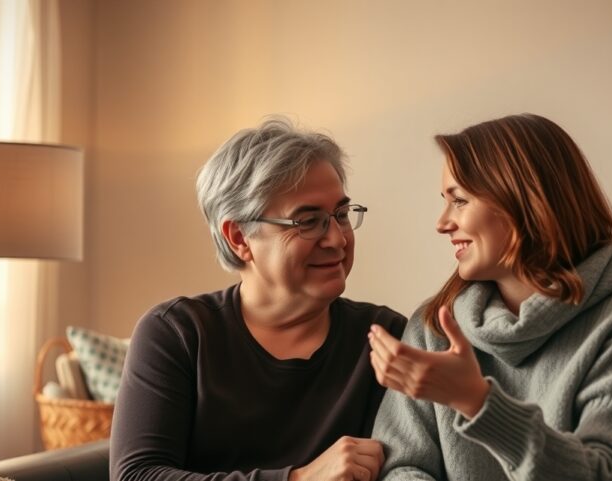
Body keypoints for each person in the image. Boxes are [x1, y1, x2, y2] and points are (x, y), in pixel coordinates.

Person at [369, 113, 612, 481]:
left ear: (522, 200)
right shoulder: (434, 325)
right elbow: (402, 467)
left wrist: (478, 403)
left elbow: (611, 474)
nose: (442, 223)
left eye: (459, 201)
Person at [110, 117, 406, 481]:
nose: (337, 239)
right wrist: (298, 479)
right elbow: (136, 476)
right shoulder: (178, 333)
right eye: (308, 221)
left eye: (341, 215)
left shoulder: (387, 338)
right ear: (239, 238)